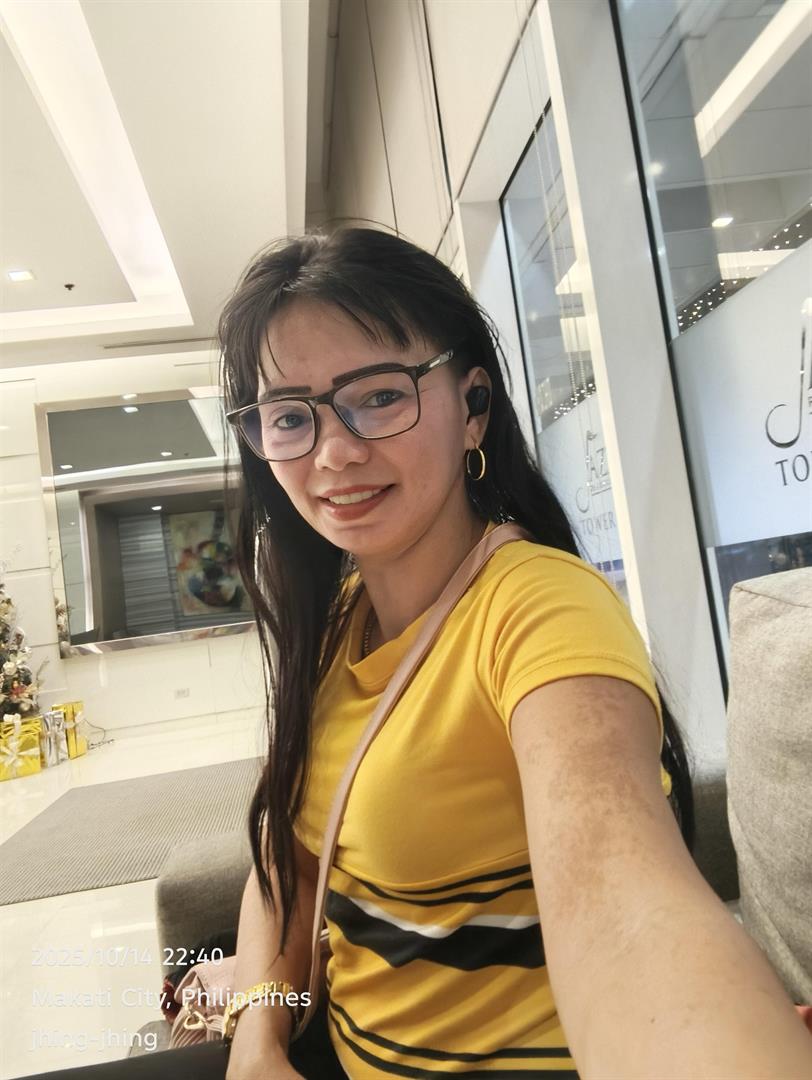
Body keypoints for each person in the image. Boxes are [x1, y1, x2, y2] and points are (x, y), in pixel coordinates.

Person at [25, 228, 810, 1080]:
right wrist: (258, 1038)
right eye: (289, 417)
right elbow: (290, 866)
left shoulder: (541, 611)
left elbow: (627, 910)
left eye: (377, 396)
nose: (333, 452)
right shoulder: (337, 622)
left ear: (473, 406)